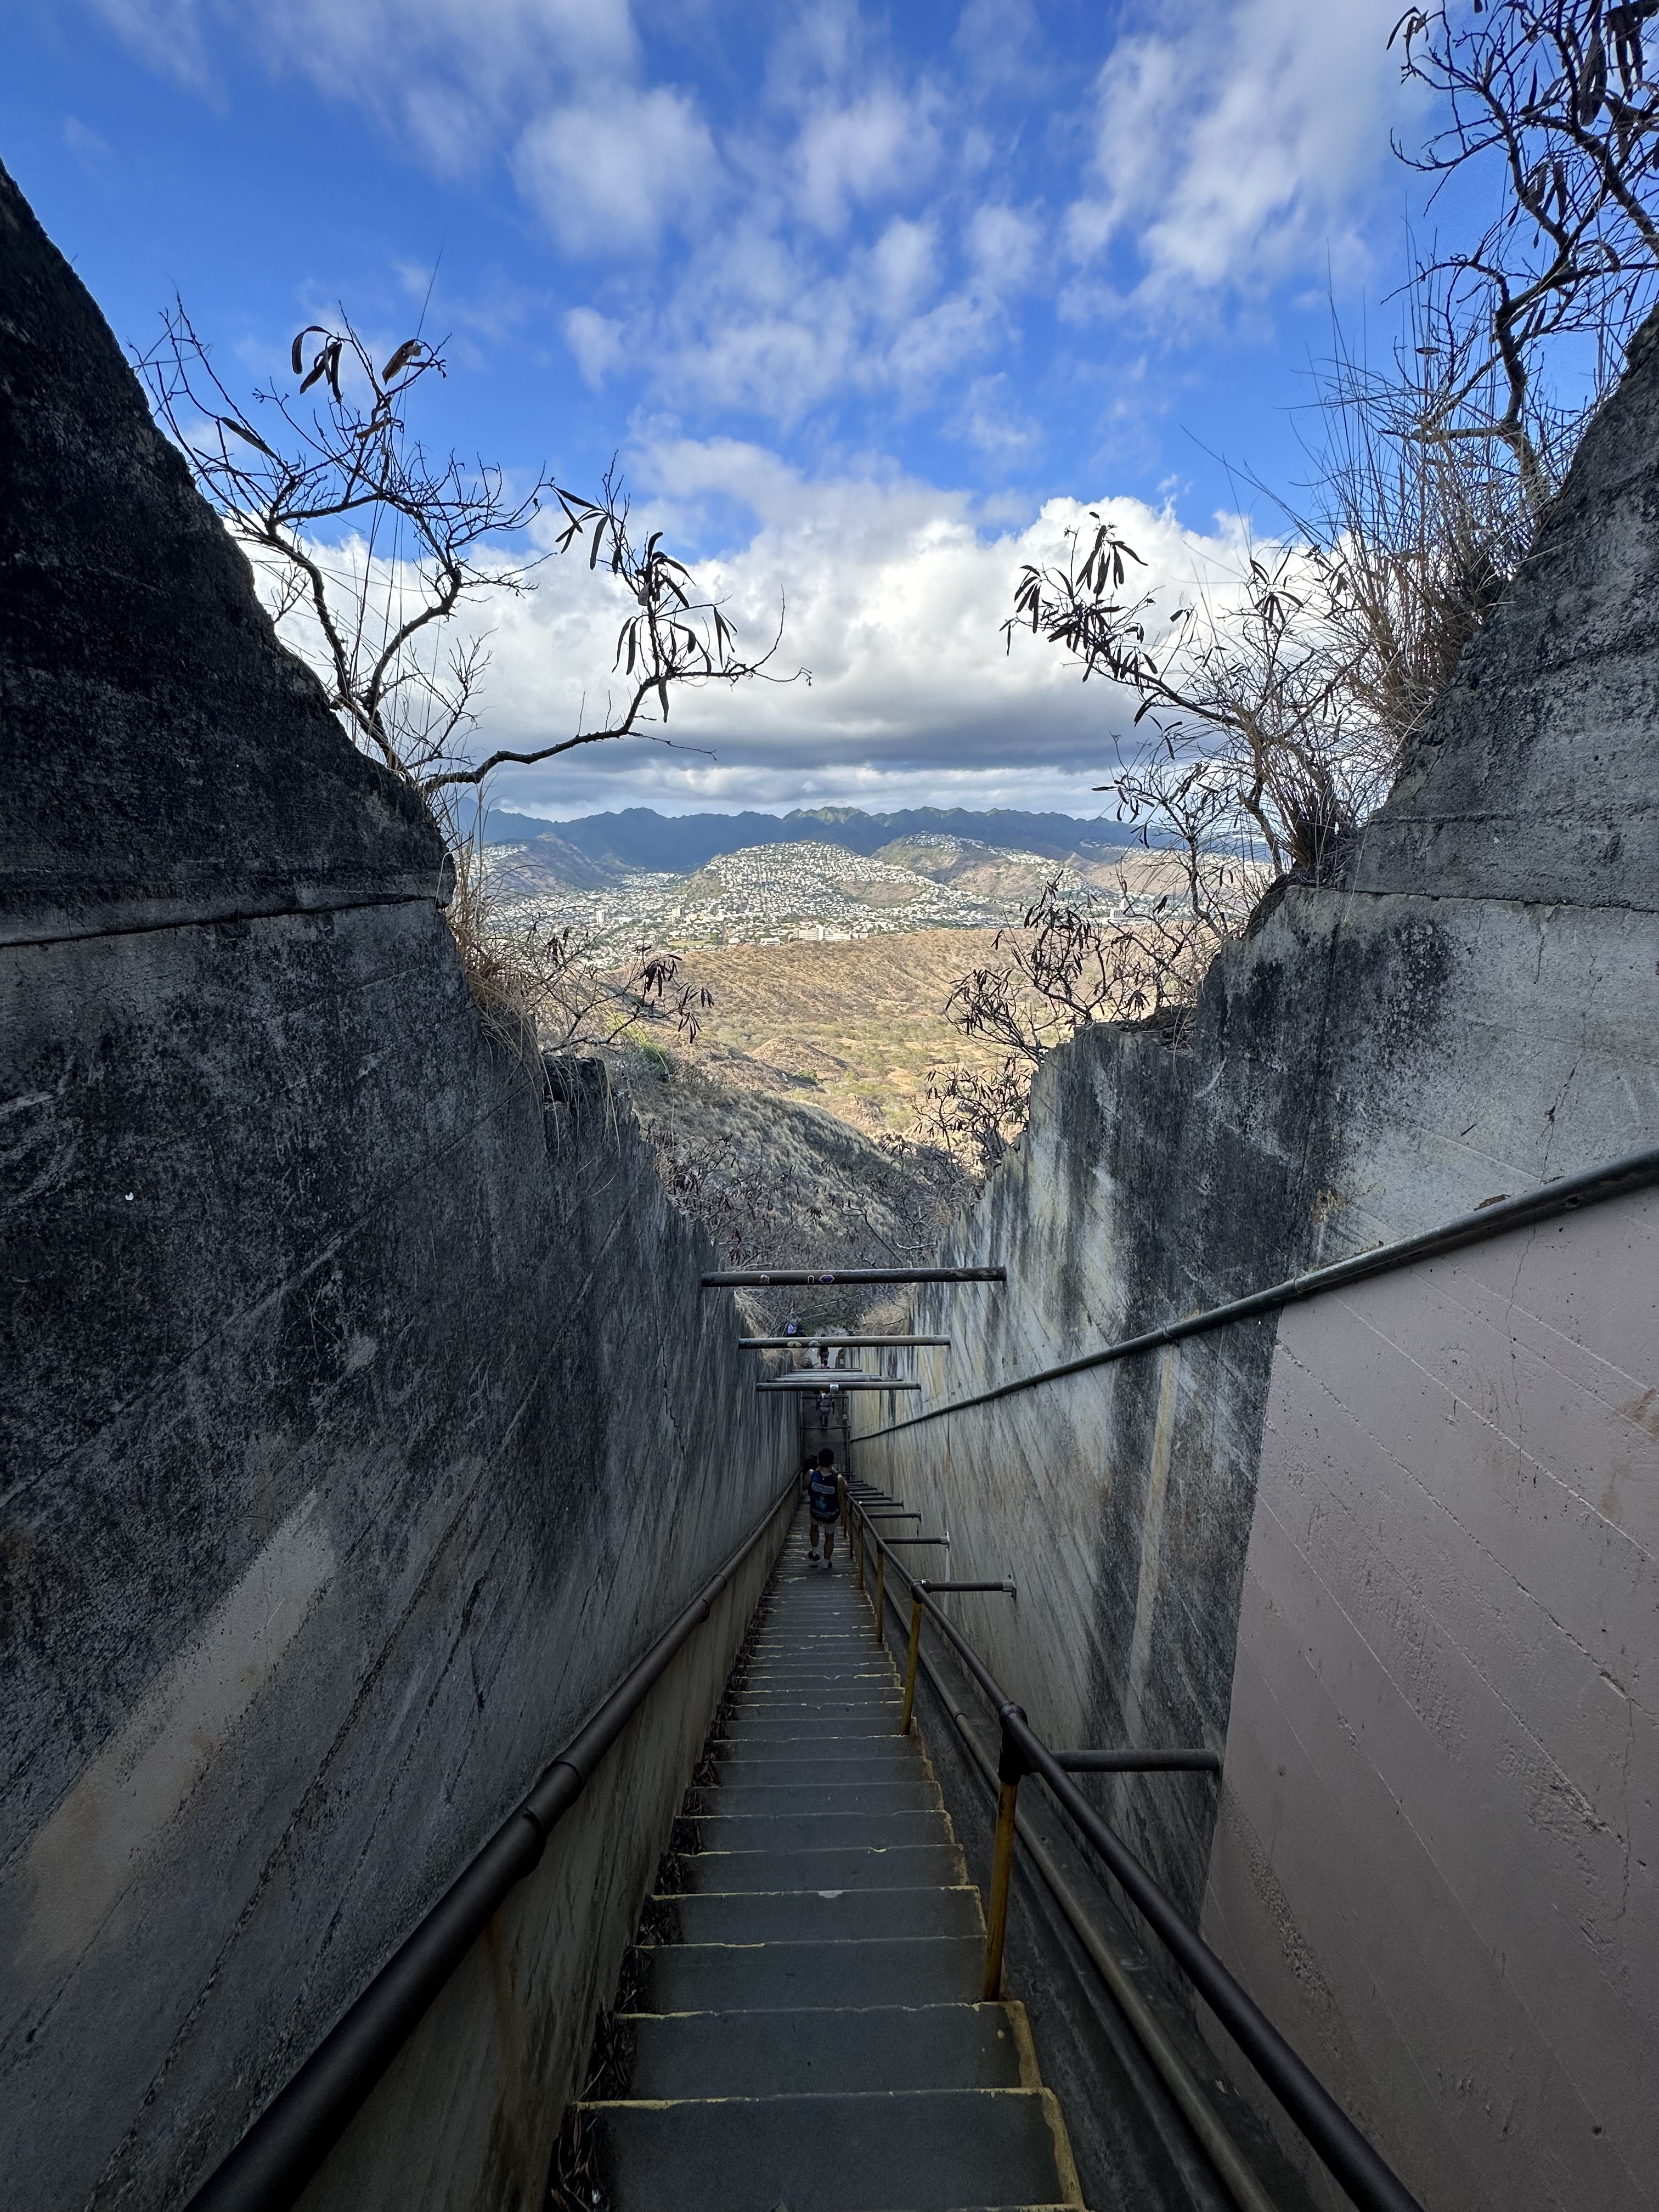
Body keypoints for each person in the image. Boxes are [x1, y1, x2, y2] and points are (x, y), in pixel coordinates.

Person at [806, 1446, 840, 1568]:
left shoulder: (812, 1474)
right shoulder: (837, 1478)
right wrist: (836, 1472)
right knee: (830, 1536)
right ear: (832, 1462)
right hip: (831, 1513)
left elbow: (805, 1486)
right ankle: (826, 1562)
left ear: (819, 1461)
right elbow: (846, 1488)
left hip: (815, 1511)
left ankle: (815, 1552)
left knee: (814, 1528)